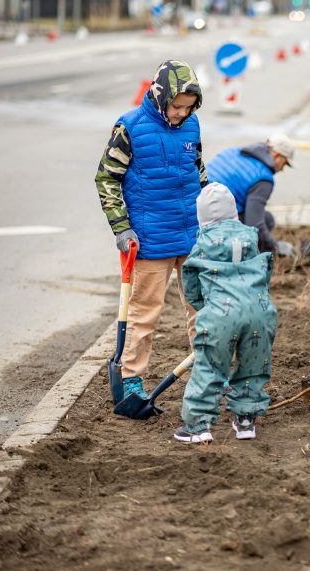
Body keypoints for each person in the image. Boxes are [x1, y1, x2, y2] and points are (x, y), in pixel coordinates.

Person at [94, 60, 205, 400]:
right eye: (176, 106)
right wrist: (122, 228)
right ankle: (131, 381)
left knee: (202, 310)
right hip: (149, 240)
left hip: (191, 236)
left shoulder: (192, 125)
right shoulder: (130, 127)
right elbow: (106, 177)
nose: (181, 114)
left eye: (188, 108)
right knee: (144, 315)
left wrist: (211, 223)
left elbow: (199, 173)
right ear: (160, 96)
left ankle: (207, 374)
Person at [175, 183, 278, 443]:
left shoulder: (203, 243)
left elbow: (190, 281)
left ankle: (198, 427)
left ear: (203, 219)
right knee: (253, 368)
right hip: (260, 311)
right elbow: (263, 273)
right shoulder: (250, 237)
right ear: (234, 213)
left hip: (220, 314)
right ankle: (245, 421)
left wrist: (204, 308)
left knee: (209, 368)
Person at [205, 134, 296, 257]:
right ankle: (249, 263)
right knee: (267, 221)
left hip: (190, 206)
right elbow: (255, 224)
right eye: (284, 163)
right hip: (209, 222)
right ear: (276, 155)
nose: (282, 169)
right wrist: (276, 246)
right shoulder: (263, 179)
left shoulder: (232, 151)